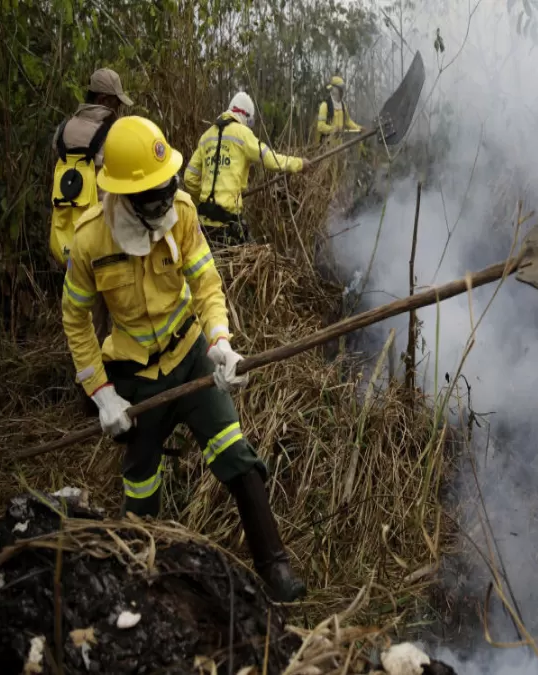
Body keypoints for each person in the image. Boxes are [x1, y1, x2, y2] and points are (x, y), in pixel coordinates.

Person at [61, 115, 306, 603]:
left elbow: (206, 283)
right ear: (125, 195)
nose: (164, 201)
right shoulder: (91, 241)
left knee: (237, 455)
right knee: (139, 486)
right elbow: (75, 322)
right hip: (134, 376)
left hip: (190, 355)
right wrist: (102, 393)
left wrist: (219, 342)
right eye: (152, 195)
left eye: (166, 187)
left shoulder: (184, 212)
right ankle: (138, 584)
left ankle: (275, 566)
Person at [51, 67, 133, 345]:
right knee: (112, 315)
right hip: (102, 237)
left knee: (80, 316)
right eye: (117, 102)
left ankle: (84, 372)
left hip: (67, 235)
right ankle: (105, 376)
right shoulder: (111, 134)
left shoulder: (61, 132)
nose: (119, 109)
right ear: (105, 100)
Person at [184, 92, 310, 247]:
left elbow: (189, 177)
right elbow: (271, 160)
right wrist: (299, 164)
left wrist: (205, 201)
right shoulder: (242, 134)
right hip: (228, 223)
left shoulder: (206, 136)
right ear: (245, 115)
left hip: (204, 224)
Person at [314, 75, 363, 144]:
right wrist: (333, 129)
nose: (342, 92)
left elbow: (348, 122)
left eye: (342, 89)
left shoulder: (343, 106)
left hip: (339, 146)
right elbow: (320, 126)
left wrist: (359, 128)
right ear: (334, 89)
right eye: (340, 89)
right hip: (327, 146)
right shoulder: (325, 106)